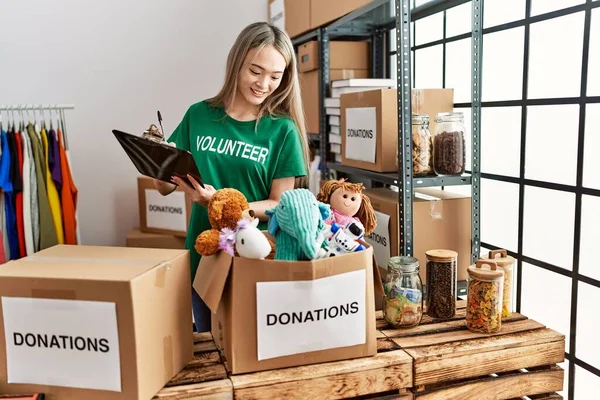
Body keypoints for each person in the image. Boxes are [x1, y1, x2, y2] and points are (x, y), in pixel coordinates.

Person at [153, 22, 310, 332]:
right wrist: (156, 153)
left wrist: (222, 205)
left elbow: (280, 204)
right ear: (237, 62)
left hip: (254, 260)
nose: (264, 84)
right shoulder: (198, 115)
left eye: (275, 77)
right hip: (205, 258)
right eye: (256, 71)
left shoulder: (282, 131)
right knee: (209, 355)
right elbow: (163, 187)